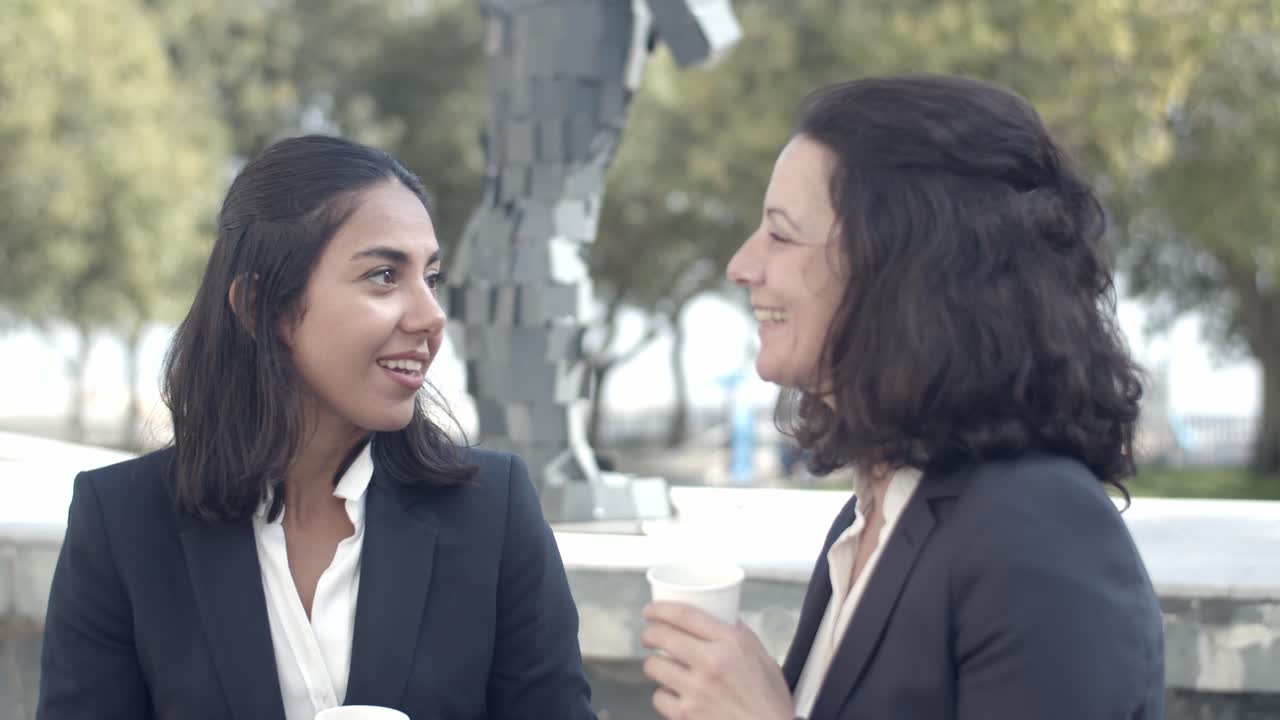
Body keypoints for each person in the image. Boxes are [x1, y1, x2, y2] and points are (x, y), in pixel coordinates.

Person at [640, 74, 1165, 719]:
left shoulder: (1042, 535)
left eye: (781, 234)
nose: (742, 265)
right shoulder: (870, 518)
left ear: (901, 268)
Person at [37, 135, 597, 720]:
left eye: (430, 277)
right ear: (260, 306)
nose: (431, 316)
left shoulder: (493, 510)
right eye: (384, 275)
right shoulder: (122, 522)